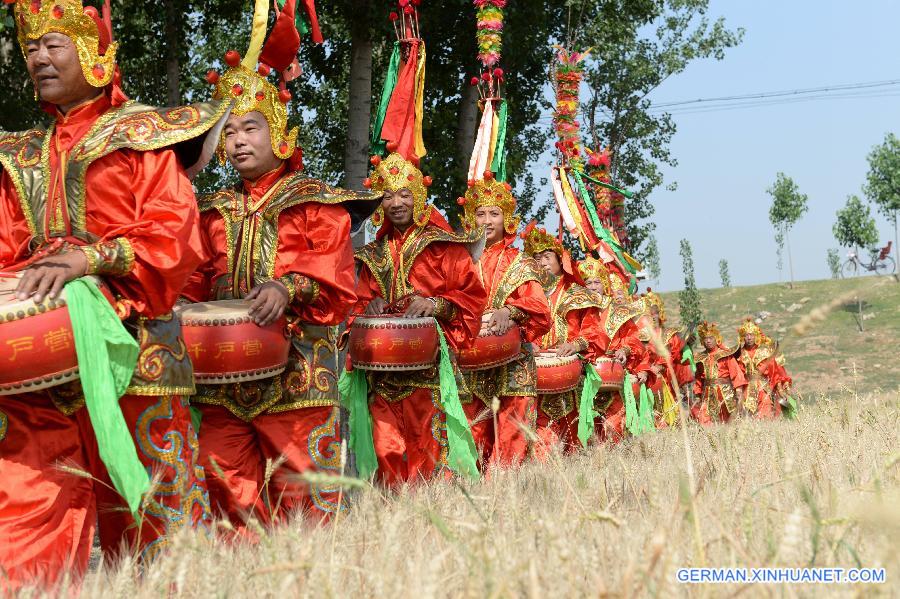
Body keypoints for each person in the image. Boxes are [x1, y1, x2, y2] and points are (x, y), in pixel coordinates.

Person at [0, 0, 227, 588]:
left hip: (139, 352)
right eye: (30, 47)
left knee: (157, 529)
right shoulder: (18, 154)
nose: (39, 58)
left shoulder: (144, 136)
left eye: (54, 44)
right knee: (24, 513)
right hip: (41, 363)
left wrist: (90, 256)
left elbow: (173, 234)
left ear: (96, 53)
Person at [181, 1, 379, 530]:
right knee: (225, 491)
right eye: (229, 132)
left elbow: (335, 268)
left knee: (307, 503)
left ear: (278, 132)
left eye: (250, 127)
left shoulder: (313, 199)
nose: (239, 140)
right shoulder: (211, 209)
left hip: (297, 373)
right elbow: (193, 276)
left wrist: (289, 286)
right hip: (221, 377)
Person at [351, 150, 487, 485]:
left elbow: (471, 296)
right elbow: (355, 302)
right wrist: (367, 305)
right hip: (381, 373)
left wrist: (437, 304)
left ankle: (432, 521)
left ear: (419, 197)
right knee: (386, 450)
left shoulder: (443, 246)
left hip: (429, 367)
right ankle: (393, 521)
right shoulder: (371, 255)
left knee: (429, 449)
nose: (396, 203)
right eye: (387, 196)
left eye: (404, 194)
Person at [456, 173, 550, 467]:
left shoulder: (520, 262)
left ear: (506, 219)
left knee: (512, 437)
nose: (487, 220)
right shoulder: (460, 261)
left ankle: (508, 498)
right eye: (480, 213)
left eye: (494, 213)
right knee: (471, 436)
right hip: (470, 360)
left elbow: (539, 307)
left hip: (514, 362)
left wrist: (509, 311)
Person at [523, 225, 605, 454]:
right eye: (537, 258)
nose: (542, 263)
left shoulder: (577, 294)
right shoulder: (527, 293)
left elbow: (592, 332)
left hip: (569, 370)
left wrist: (574, 345)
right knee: (538, 431)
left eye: (547, 257)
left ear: (561, 260)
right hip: (535, 369)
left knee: (572, 433)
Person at [577, 256, 650, 442]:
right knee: (588, 423)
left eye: (596, 282)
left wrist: (624, 350)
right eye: (588, 282)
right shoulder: (577, 310)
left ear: (604, 285)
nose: (592, 287)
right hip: (588, 376)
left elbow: (633, 339)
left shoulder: (618, 311)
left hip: (614, 373)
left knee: (614, 425)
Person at [735, 318, 792, 419]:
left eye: (751, 335)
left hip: (763, 388)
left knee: (765, 415)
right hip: (746, 390)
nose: (749, 338)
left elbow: (774, 373)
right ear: (743, 337)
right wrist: (738, 391)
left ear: (756, 336)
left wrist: (780, 389)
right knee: (748, 418)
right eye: (746, 335)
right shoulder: (738, 354)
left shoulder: (765, 353)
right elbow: (737, 375)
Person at [692, 321, 747, 425]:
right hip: (708, 393)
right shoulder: (700, 358)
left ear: (716, 339)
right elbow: (699, 378)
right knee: (705, 418)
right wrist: (698, 395)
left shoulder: (725, 355)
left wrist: (739, 391)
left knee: (728, 420)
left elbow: (736, 373)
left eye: (711, 338)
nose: (708, 341)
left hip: (725, 392)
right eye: (705, 339)